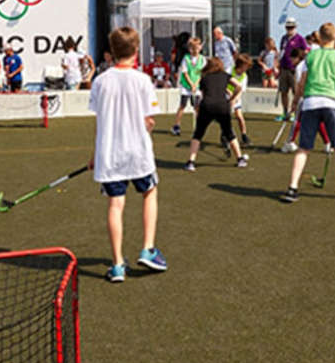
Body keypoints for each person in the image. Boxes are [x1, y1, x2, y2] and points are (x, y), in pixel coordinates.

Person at [89, 26, 167, 282]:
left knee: (115, 204)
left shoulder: (100, 81)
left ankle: (118, 264)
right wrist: (147, 125)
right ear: (135, 50)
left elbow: (100, 121)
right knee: (150, 192)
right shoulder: (142, 80)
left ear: (112, 52)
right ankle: (148, 247)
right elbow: (148, 120)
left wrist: (95, 153)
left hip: (110, 154)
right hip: (138, 153)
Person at [280, 22, 335, 203]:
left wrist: (295, 102)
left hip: (311, 102)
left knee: (304, 148)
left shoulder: (310, 56)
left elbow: (301, 84)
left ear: (319, 38)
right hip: (332, 103)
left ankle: (292, 188)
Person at [184, 57, 249, 170]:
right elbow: (238, 86)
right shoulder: (225, 76)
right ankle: (240, 159)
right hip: (222, 106)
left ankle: (191, 162)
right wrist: (232, 98)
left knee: (198, 134)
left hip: (207, 106)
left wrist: (198, 108)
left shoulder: (204, 77)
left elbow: (203, 94)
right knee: (229, 133)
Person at [171, 37, 205, 136]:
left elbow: (202, 73)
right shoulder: (186, 58)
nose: (195, 50)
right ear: (190, 49)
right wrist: (191, 84)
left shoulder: (202, 59)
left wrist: (196, 85)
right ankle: (176, 126)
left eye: (197, 48)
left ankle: (199, 127)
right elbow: (185, 73)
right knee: (183, 105)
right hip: (186, 86)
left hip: (196, 86)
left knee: (197, 107)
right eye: (193, 48)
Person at [277, 18, 308, 121]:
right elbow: (281, 52)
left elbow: (305, 52)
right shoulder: (284, 38)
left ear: (295, 27)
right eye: (288, 27)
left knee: (296, 91)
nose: (289, 29)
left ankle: (295, 113)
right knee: (283, 91)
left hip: (294, 70)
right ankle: (285, 112)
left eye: (291, 27)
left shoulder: (300, 39)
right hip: (284, 68)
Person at [228, 53, 254, 145]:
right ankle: (225, 135)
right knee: (226, 118)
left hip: (236, 98)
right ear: (240, 65)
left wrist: (234, 99)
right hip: (225, 96)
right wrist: (228, 93)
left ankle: (244, 135)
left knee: (239, 117)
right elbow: (222, 83)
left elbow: (241, 91)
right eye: (245, 66)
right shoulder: (230, 71)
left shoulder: (244, 76)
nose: (246, 69)